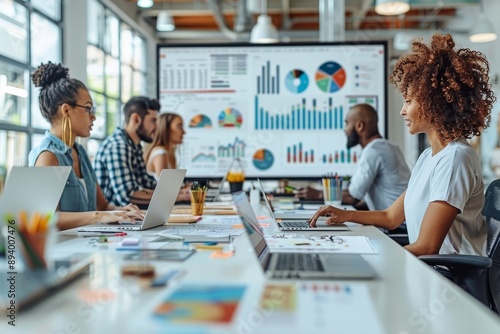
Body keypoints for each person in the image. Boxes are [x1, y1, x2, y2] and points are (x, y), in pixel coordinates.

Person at [309, 33, 495, 257]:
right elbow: (390, 217)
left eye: (408, 101)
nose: (402, 111)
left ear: (432, 102)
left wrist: (373, 258)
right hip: (428, 269)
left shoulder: (456, 159)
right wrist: (345, 215)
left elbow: (427, 247)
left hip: (449, 278)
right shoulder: (429, 157)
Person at [28, 62, 143, 230]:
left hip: (88, 243)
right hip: (63, 249)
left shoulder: (80, 152)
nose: (93, 117)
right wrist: (99, 216)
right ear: (66, 111)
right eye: (88, 109)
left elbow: (102, 207)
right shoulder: (48, 155)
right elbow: (45, 217)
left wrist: (124, 211)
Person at [297, 103, 410, 211]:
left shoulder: (373, 151)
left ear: (360, 126)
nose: (345, 130)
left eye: (347, 123)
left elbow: (352, 197)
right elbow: (366, 200)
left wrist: (318, 194)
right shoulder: (389, 147)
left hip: (397, 228)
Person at [93, 96, 160, 208]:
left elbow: (147, 182)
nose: (156, 127)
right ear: (136, 119)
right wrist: (175, 197)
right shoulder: (118, 146)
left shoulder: (134, 146)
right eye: (153, 121)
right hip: (113, 220)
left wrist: (180, 191)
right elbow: (128, 196)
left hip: (128, 217)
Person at [144, 112, 190, 201]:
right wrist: (184, 192)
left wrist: (184, 189)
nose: (184, 132)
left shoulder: (169, 154)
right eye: (179, 127)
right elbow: (165, 189)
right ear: (166, 129)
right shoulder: (160, 153)